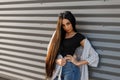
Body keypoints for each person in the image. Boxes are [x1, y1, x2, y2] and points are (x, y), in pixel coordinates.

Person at [45, 11, 99, 80]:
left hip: (70, 70)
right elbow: (49, 54)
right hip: (57, 70)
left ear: (72, 22)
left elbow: (94, 56)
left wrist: (77, 62)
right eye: (63, 25)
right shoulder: (57, 35)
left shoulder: (78, 37)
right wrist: (57, 60)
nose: (66, 27)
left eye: (68, 24)